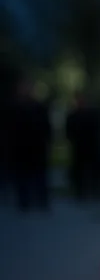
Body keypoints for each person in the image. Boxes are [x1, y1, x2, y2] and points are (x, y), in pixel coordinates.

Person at [9, 80, 52, 211]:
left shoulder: (39, 108)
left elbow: (46, 128)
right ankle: (24, 201)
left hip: (37, 147)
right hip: (20, 148)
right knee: (22, 175)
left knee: (39, 174)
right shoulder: (14, 108)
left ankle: (41, 200)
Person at [65, 92, 100, 202]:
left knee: (94, 171)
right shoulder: (73, 116)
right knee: (79, 171)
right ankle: (81, 193)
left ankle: (96, 192)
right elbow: (69, 132)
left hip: (93, 147)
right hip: (79, 147)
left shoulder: (94, 114)